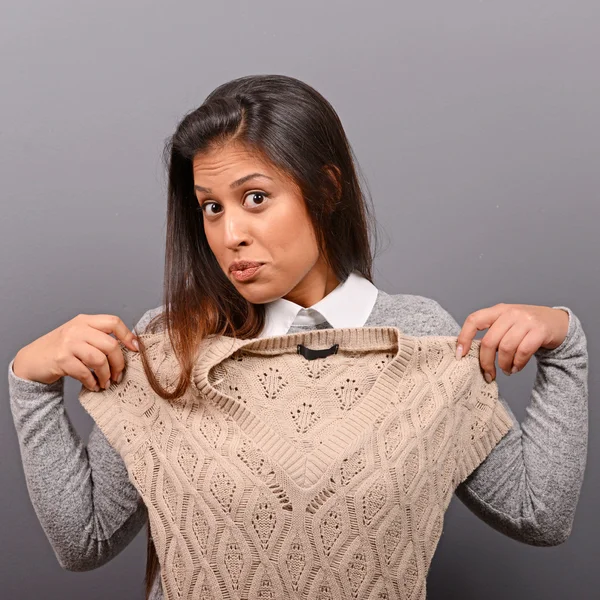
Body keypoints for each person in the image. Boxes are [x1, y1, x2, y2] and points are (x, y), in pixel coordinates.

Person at [8, 74, 588, 600]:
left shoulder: (422, 338)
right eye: (211, 207)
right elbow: (85, 540)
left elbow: (538, 513)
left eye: (255, 198)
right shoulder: (170, 343)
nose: (230, 232)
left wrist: (565, 344)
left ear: (326, 190)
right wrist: (30, 383)